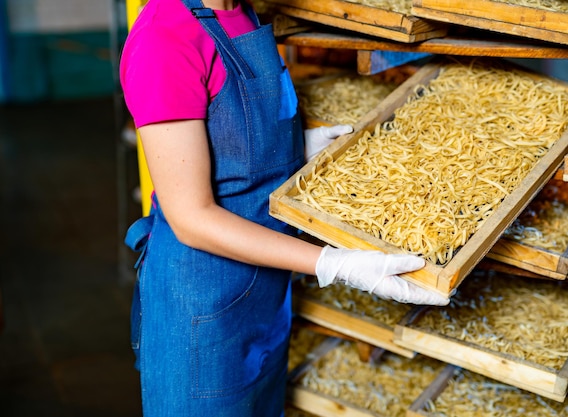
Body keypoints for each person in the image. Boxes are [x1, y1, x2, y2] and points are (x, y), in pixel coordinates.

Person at [120, 0, 450, 416]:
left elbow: (233, 141)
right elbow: (191, 218)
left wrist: (298, 151)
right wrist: (336, 263)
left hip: (266, 293)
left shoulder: (241, 12)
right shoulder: (164, 38)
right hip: (202, 305)